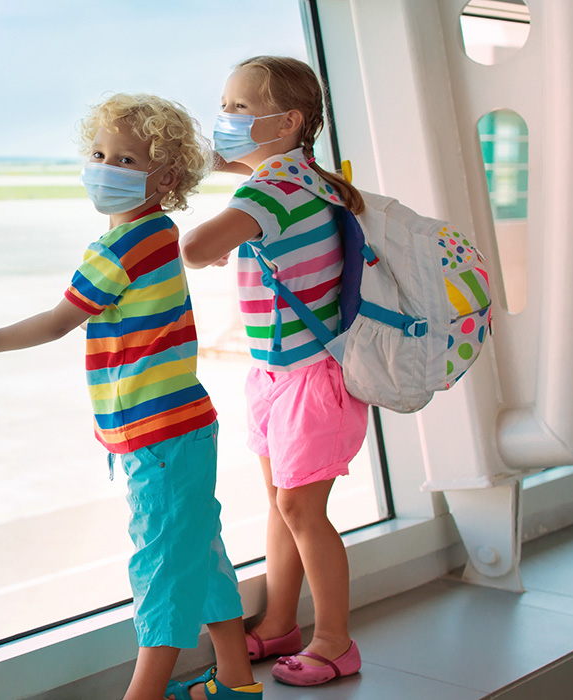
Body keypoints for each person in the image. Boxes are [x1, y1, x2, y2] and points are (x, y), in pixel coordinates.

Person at [0, 93, 261, 700]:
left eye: (127, 160)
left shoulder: (121, 248)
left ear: (168, 176)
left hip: (156, 435)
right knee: (199, 552)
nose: (106, 168)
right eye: (101, 153)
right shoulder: (156, 231)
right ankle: (236, 681)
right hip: (181, 424)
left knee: (161, 565)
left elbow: (57, 322)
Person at [179, 56, 370, 687]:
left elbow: (198, 249)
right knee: (284, 506)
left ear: (287, 121)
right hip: (278, 372)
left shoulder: (271, 189)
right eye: (224, 105)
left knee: (300, 510)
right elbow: (232, 167)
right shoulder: (304, 174)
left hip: (307, 380)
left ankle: (336, 641)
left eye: (238, 109)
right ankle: (282, 621)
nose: (224, 121)